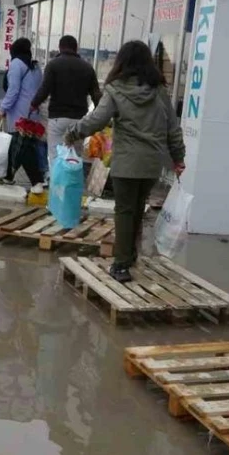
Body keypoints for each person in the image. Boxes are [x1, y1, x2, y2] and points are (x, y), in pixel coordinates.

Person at [67, 40, 185, 284]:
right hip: (152, 164)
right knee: (137, 210)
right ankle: (130, 256)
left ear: (122, 62)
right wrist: (178, 158)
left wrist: (74, 132)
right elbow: (173, 128)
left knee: (124, 212)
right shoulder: (159, 91)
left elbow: (97, 120)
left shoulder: (115, 90)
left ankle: (120, 265)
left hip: (127, 163)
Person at [29, 35, 102, 176]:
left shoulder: (53, 64)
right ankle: (71, 189)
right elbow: (96, 95)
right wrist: (101, 115)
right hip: (79, 120)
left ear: (60, 47)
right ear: (76, 48)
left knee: (56, 156)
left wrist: (34, 104)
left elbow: (45, 89)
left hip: (58, 118)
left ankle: (57, 189)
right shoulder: (88, 68)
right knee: (75, 156)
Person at [0, 38, 45, 193]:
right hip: (32, 113)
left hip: (18, 115)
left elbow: (13, 91)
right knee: (18, 146)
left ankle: (37, 181)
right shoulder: (36, 67)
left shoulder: (16, 65)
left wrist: (2, 109)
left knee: (23, 148)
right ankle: (8, 176)